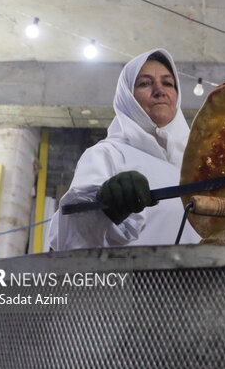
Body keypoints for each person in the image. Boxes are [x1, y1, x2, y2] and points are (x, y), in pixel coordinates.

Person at [48, 48, 201, 250]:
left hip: (204, 279)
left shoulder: (197, 162)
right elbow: (68, 239)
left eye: (168, 83)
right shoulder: (108, 155)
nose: (159, 90)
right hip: (134, 279)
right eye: (145, 83)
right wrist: (104, 211)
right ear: (127, 97)